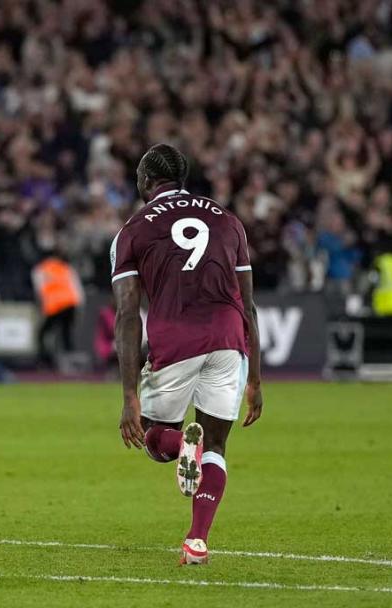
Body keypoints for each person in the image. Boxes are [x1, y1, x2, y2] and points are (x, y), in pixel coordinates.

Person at [110, 144, 263, 565]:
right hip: (229, 340)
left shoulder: (133, 231)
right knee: (216, 446)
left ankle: (181, 445)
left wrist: (128, 397)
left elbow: (127, 316)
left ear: (144, 183)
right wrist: (255, 378)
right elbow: (248, 305)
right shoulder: (229, 221)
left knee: (157, 441)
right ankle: (197, 541)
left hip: (175, 340)